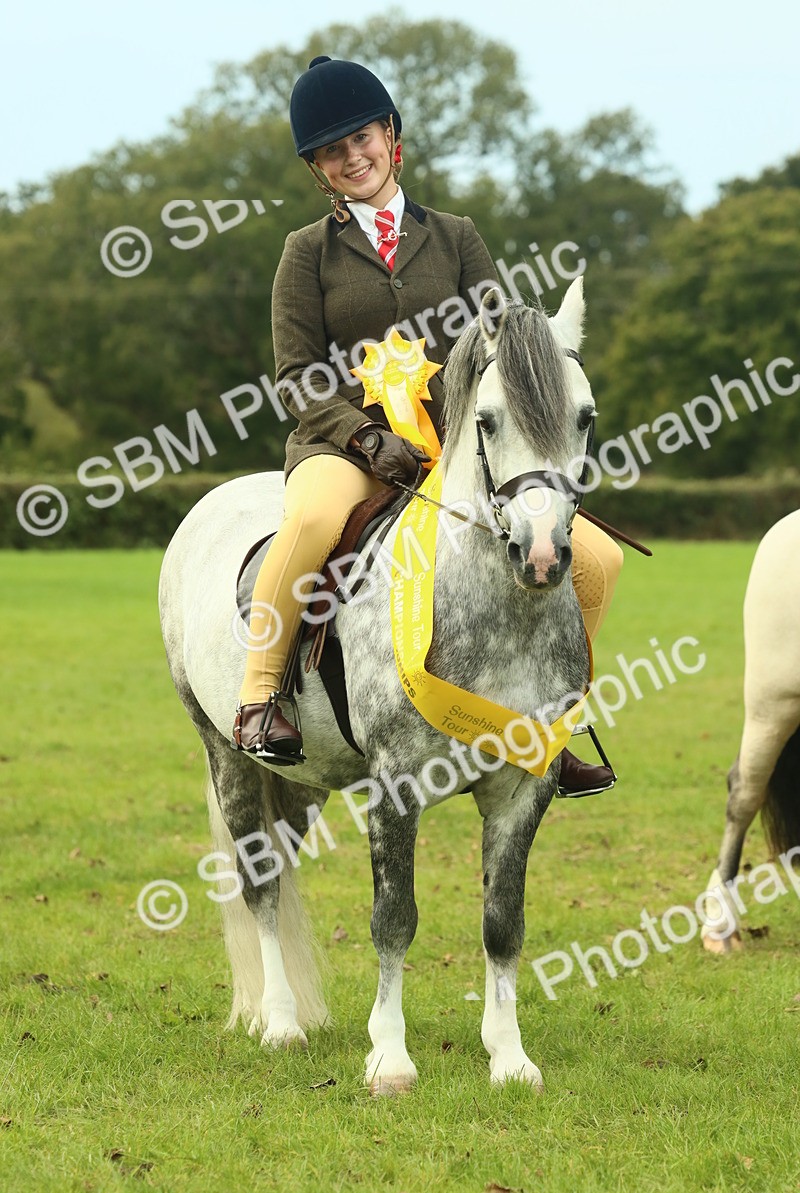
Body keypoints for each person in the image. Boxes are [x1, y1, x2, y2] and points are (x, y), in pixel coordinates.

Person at [232, 55, 623, 797]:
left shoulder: (456, 236)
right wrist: (360, 434)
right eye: (333, 152)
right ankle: (260, 698)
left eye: (362, 140)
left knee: (598, 558)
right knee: (314, 519)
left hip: (451, 445)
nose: (353, 158)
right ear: (320, 170)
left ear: (392, 139)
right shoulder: (305, 253)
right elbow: (297, 375)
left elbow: (501, 343)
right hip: (344, 444)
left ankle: (552, 722)